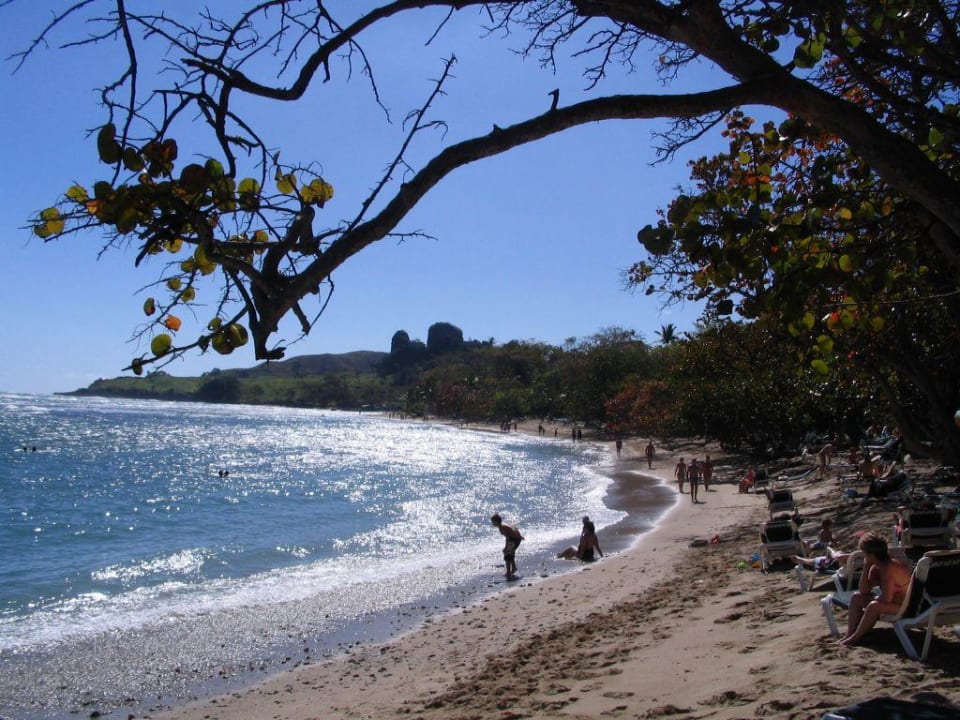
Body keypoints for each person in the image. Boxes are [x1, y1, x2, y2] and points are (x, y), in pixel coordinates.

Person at [839, 532, 913, 647]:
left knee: (874, 606)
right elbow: (864, 591)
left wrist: (875, 600)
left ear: (871, 555)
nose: (865, 557)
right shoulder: (877, 566)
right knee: (856, 597)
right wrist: (866, 567)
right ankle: (849, 634)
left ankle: (855, 638)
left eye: (865, 554)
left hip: (904, 606)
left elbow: (887, 598)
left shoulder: (888, 567)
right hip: (894, 603)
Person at [490, 513, 524, 580]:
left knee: (507, 554)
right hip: (516, 538)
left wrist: (506, 547)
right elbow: (514, 528)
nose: (492, 524)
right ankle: (513, 568)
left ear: (496, 522)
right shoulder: (503, 524)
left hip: (514, 539)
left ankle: (508, 572)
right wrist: (519, 536)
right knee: (511, 552)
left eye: (493, 522)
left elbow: (508, 537)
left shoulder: (502, 527)